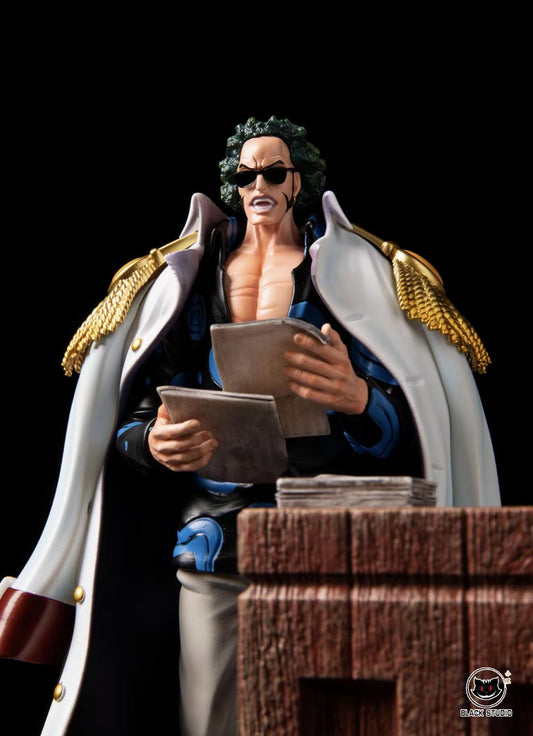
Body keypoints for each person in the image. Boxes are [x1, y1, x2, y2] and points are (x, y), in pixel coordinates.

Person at [0, 116, 500, 736]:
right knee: (209, 717)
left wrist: (359, 398)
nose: (257, 186)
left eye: (272, 172)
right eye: (245, 176)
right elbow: (134, 416)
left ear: (297, 182)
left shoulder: (357, 277)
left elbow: (412, 426)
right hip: (214, 536)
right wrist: (155, 441)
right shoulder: (183, 278)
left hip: (325, 535)